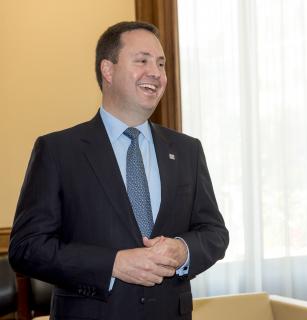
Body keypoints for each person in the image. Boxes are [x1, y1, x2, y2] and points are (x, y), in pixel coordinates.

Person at [9, 21, 229, 320]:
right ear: (108, 70)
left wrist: (183, 250)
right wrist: (112, 264)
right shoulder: (59, 150)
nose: (156, 72)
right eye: (142, 61)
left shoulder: (188, 150)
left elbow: (214, 233)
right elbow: (27, 248)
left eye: (161, 64)